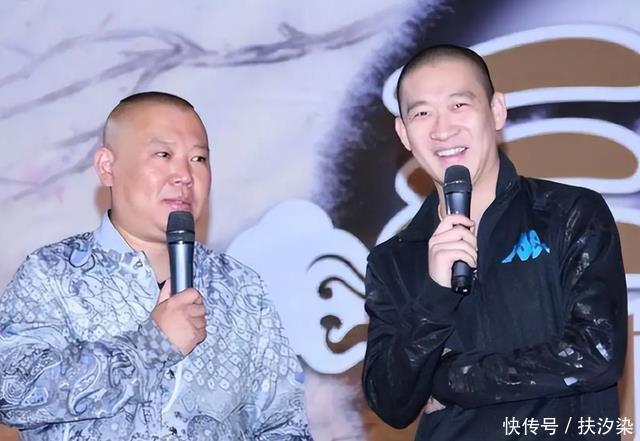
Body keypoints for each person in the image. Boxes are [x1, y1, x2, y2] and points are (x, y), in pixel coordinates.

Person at [0, 92, 312, 440]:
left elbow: (284, 424)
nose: (184, 175)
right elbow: (12, 392)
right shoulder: (51, 274)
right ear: (107, 167)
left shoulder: (240, 287)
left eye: (198, 158)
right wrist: (151, 346)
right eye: (163, 155)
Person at [361, 45, 628, 440]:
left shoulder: (568, 213)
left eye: (458, 105)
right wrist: (434, 296)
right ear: (404, 133)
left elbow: (596, 354)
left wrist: (452, 377)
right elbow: (390, 402)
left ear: (496, 111)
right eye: (422, 113)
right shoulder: (392, 261)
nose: (442, 129)